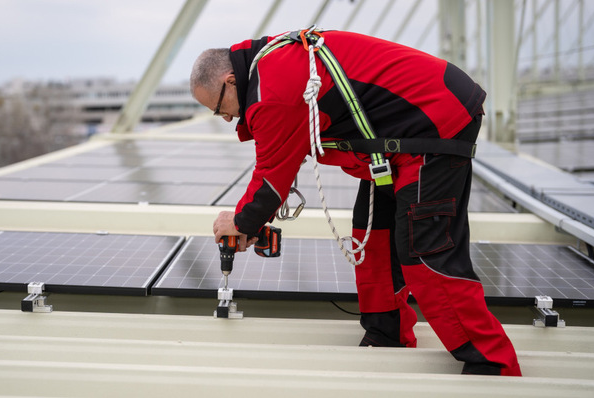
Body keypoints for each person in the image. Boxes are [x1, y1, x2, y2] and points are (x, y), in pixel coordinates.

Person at [190, 28, 521, 377]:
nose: (226, 118)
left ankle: (493, 365)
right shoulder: (270, 65)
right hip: (396, 144)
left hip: (432, 123)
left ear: (230, 80)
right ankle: (386, 336)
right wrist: (251, 220)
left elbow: (271, 177)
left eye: (218, 108)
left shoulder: (272, 88)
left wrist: (240, 223)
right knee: (371, 239)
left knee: (425, 252)